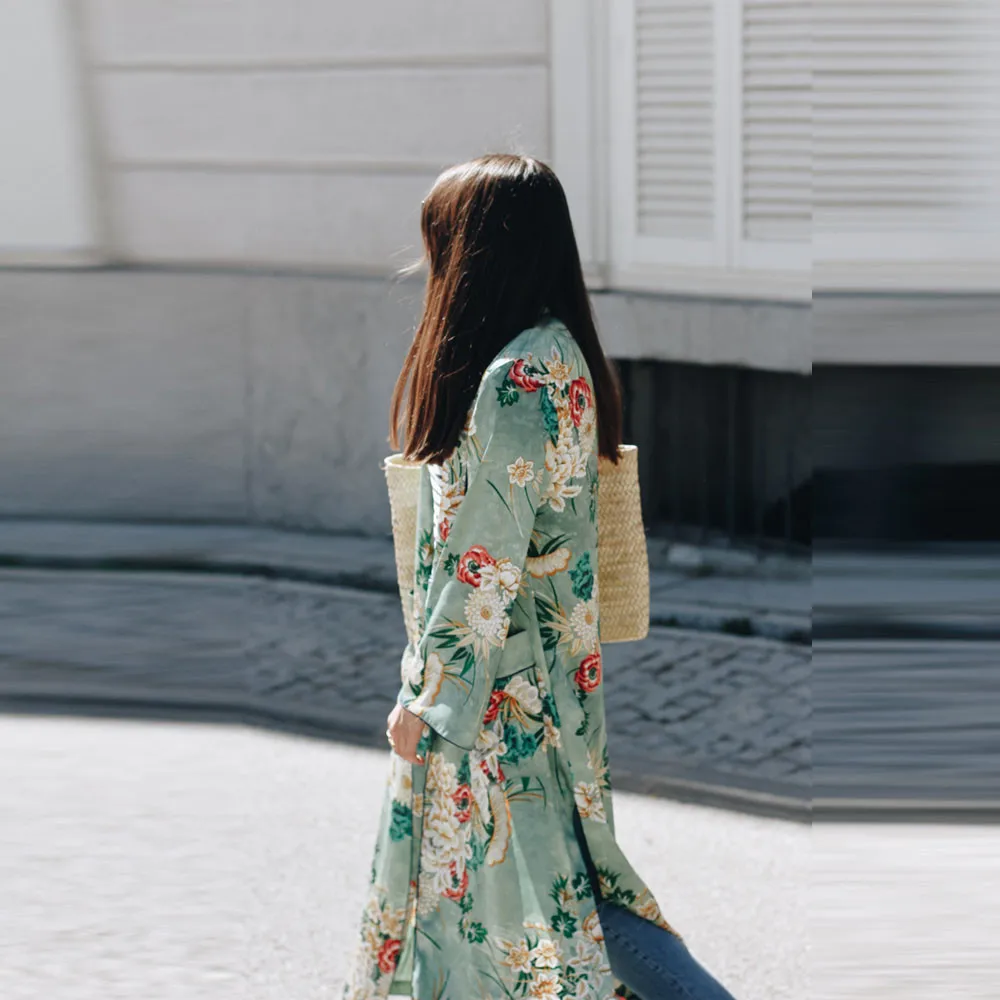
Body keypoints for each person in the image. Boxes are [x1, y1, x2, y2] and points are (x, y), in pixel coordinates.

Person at [343, 154, 737, 1000]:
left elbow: (483, 560)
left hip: (506, 697)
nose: (431, 265)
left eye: (440, 243)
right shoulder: (553, 354)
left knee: (574, 896)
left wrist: (428, 697)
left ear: (476, 252)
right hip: (537, 682)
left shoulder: (519, 378)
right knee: (572, 891)